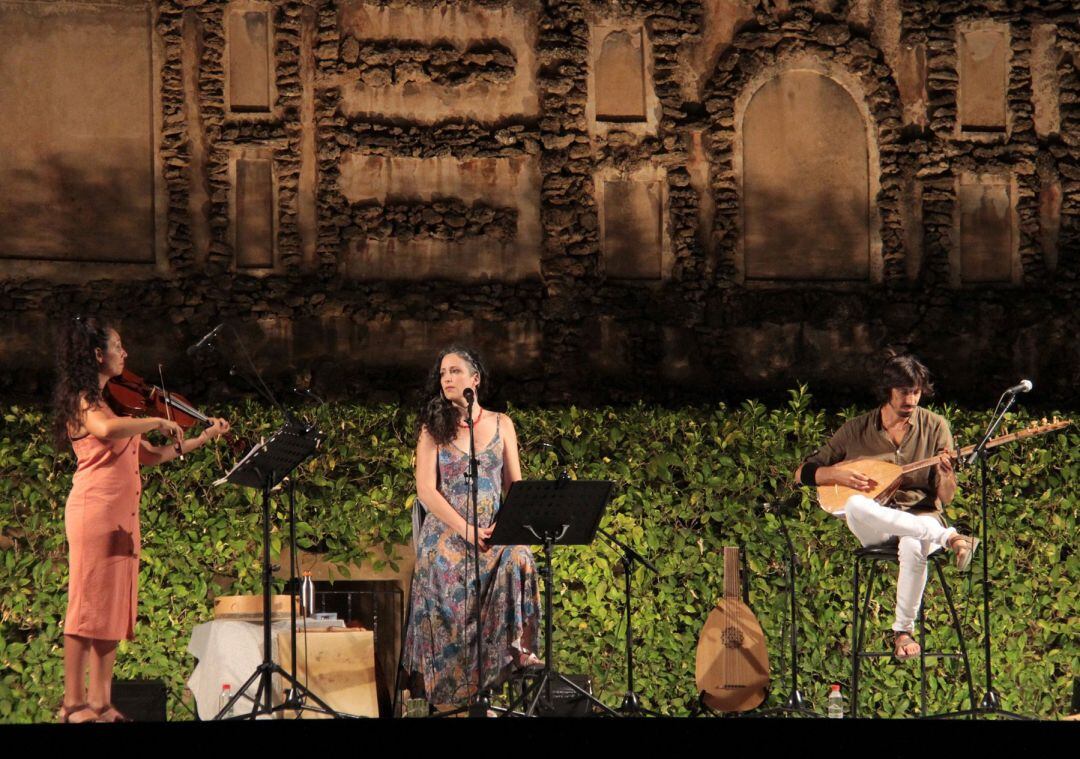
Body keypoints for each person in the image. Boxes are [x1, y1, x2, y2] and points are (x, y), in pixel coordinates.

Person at [52, 317, 229, 722]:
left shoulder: (112, 403)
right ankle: (72, 704)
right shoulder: (85, 401)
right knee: (85, 606)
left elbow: (149, 455)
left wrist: (202, 438)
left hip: (121, 517)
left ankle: (100, 702)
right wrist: (157, 419)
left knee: (111, 610)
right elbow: (108, 429)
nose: (125, 353)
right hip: (94, 513)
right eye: (118, 346)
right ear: (97, 355)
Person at [794, 352, 977, 661]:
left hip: (921, 517)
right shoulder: (856, 430)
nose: (911, 397)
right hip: (876, 526)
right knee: (854, 504)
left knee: (913, 544)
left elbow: (945, 498)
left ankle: (903, 632)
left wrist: (946, 472)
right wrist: (838, 474)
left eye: (917, 390)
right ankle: (951, 538)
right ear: (887, 390)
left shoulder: (935, 427)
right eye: (904, 390)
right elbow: (802, 474)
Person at [402, 346, 541, 707]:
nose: (447, 378)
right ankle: (456, 701)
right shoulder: (433, 428)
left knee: (521, 555)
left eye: (455, 371)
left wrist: (503, 526)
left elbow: (515, 486)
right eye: (443, 372)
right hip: (447, 535)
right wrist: (465, 529)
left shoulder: (502, 424)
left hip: (491, 533)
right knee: (441, 565)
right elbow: (425, 491)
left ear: (474, 379)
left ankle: (517, 651)